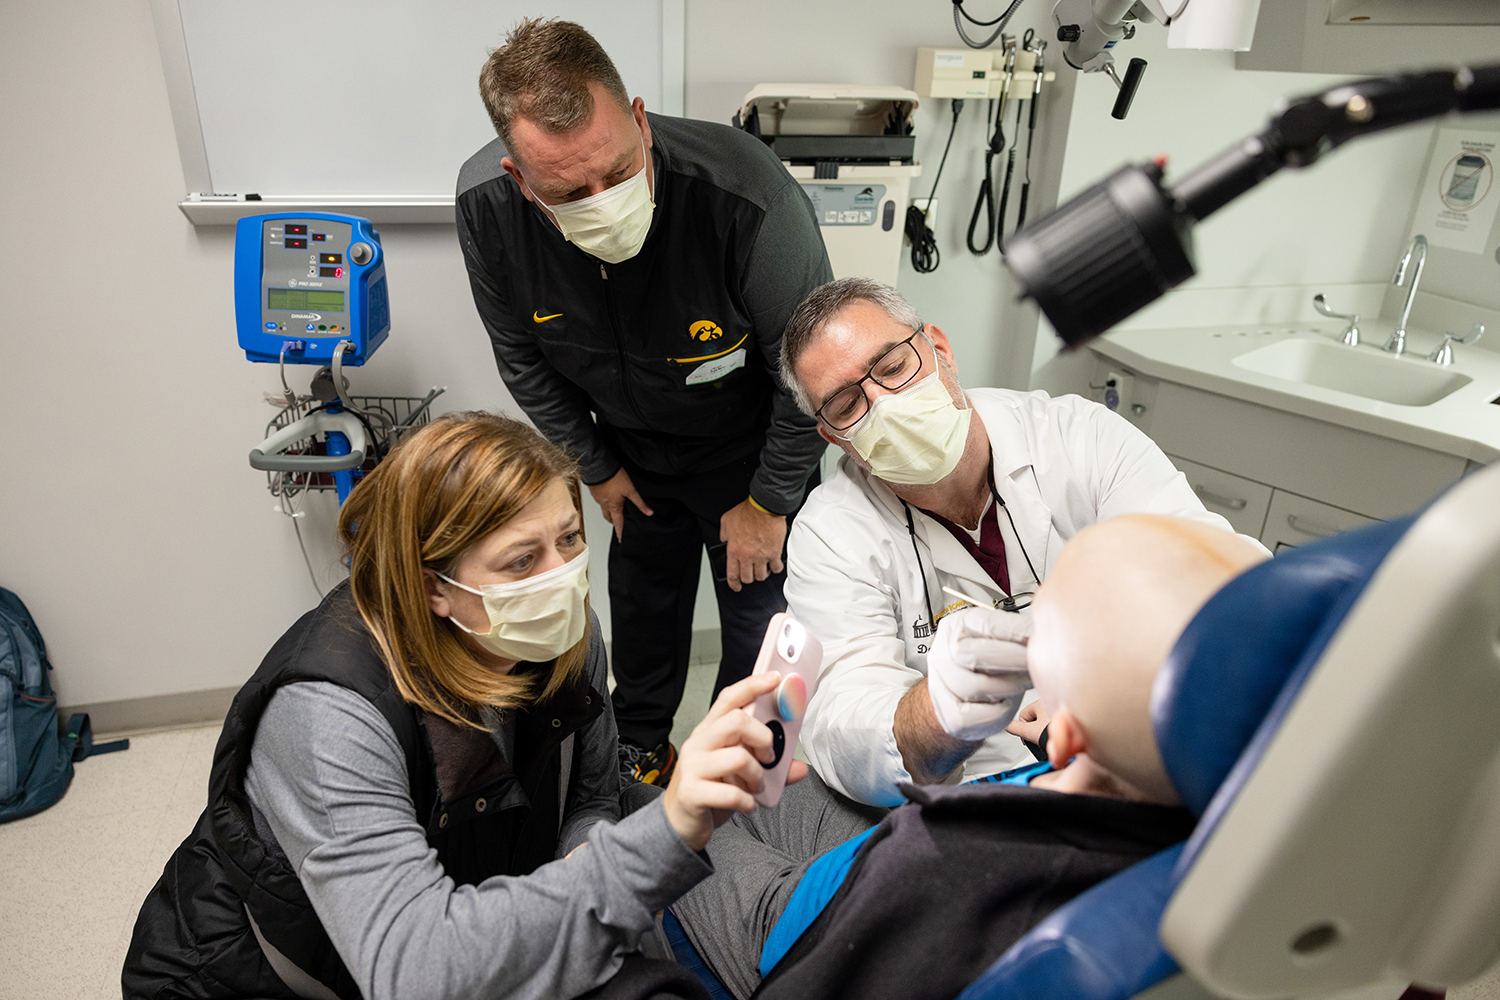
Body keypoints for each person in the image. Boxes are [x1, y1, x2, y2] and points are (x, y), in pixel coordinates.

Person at [121, 412, 807, 1000]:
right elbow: (411, 968)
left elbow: (589, 802)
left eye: (569, 539)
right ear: (433, 589)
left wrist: (593, 873)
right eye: (520, 561)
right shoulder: (329, 710)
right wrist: (660, 839)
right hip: (263, 974)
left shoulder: (567, 638)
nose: (563, 577)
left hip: (464, 906)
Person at [669, 515, 1267, 1000]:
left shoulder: (939, 855)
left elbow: (817, 973)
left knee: (659, 817)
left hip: (809, 928)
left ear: (1071, 732)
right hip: (897, 883)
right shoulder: (1207, 796)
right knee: (786, 791)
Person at [456, 18, 831, 787]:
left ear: (638, 118)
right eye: (569, 191)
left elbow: (812, 371)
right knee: (643, 613)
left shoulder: (747, 194)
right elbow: (523, 360)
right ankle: (642, 753)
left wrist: (769, 498)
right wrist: (593, 467)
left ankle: (751, 765)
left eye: (618, 170)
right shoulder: (490, 209)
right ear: (520, 177)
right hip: (629, 454)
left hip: (752, 448)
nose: (602, 199)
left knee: (763, 628)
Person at [777, 276, 1269, 807]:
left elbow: (1217, 582)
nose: (885, 406)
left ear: (940, 350)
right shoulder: (830, 532)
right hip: (966, 796)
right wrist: (942, 712)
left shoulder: (1080, 438)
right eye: (849, 404)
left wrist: (1101, 701)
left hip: (1131, 754)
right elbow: (843, 727)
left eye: (894, 368)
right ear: (834, 436)